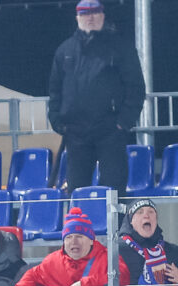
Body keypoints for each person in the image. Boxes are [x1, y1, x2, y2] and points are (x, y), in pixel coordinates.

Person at [48, 0, 145, 195]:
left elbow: (136, 87)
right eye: (85, 13)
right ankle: (79, 217)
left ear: (103, 15)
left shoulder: (120, 47)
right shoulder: (65, 51)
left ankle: (115, 217)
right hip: (75, 131)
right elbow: (55, 90)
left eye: (94, 12)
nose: (90, 17)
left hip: (110, 129)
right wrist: (57, 121)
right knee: (77, 189)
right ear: (77, 17)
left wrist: (124, 122)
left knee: (113, 188)